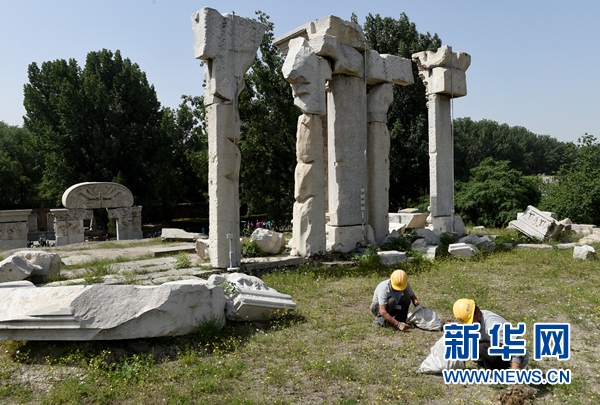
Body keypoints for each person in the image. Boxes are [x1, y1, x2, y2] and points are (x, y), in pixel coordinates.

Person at [453, 299, 529, 370]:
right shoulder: (476, 318)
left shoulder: (493, 325)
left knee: (482, 347)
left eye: (470, 322)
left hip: (515, 356)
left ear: (476, 313)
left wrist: (515, 367)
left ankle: (500, 372)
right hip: (496, 349)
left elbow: (518, 344)